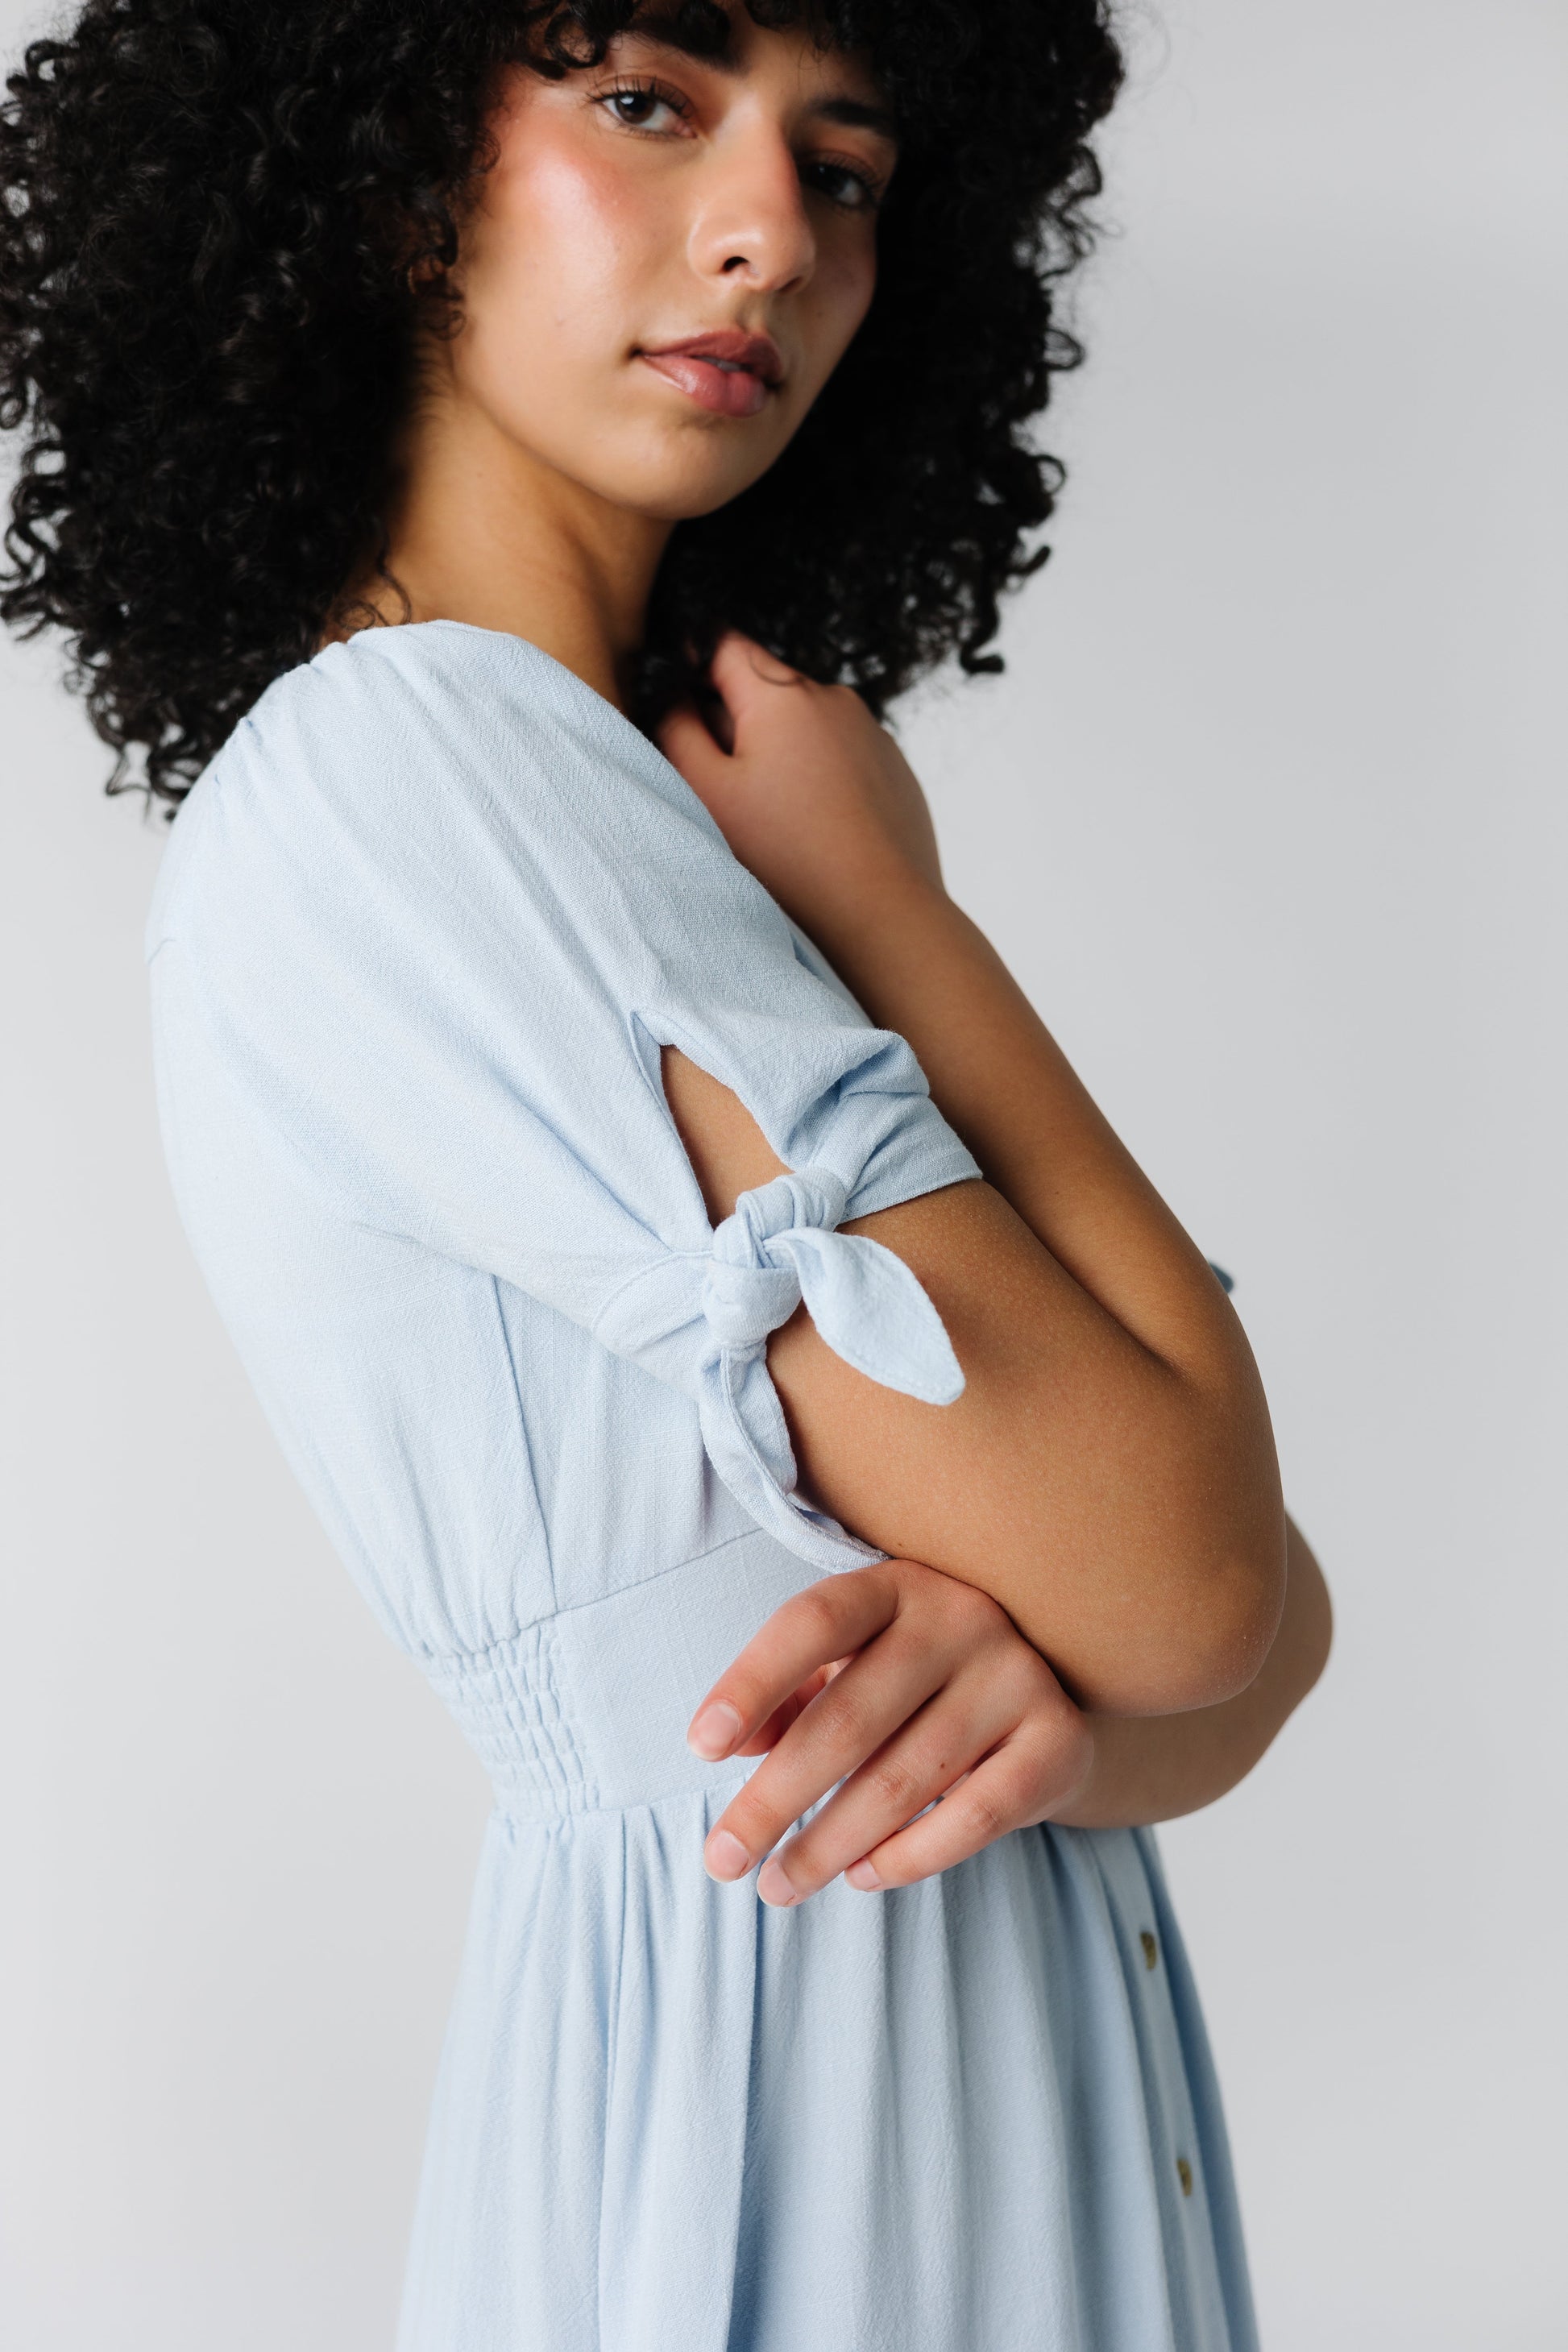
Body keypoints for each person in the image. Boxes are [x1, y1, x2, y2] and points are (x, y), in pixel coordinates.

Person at [0, 2, 1332, 2344]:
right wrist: (904, 916)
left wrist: (1078, 1680)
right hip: (801, 2078)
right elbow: (1201, 1572)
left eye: (845, 168)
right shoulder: (432, 775)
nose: (766, 241)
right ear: (392, 159)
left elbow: (1227, 1654)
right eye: (645, 105)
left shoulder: (596, 797)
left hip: (879, 2023)